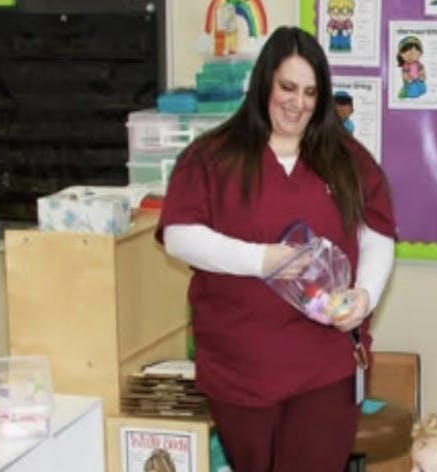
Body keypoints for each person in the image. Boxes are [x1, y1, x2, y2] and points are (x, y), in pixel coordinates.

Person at [156, 26, 397, 471]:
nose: (298, 103)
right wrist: (261, 260)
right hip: (241, 367)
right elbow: (180, 235)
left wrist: (365, 295)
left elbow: (377, 233)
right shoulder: (213, 157)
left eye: (310, 92)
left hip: (325, 366)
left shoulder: (346, 158)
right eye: (287, 87)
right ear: (264, 82)